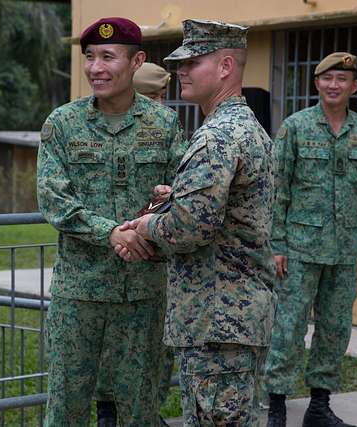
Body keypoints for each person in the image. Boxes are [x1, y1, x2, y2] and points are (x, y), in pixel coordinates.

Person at [123, 19, 277, 426]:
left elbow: (190, 228)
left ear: (226, 66)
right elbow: (226, 212)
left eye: (193, 62)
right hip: (233, 318)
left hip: (217, 320)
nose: (181, 71)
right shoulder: (244, 128)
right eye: (180, 63)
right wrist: (175, 199)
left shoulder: (218, 137)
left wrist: (141, 228)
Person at [36, 17, 187, 427]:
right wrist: (111, 233)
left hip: (143, 292)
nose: (96, 68)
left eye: (108, 56)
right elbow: (54, 200)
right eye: (89, 57)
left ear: (137, 61)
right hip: (80, 291)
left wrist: (153, 221)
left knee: (140, 406)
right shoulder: (63, 123)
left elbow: (182, 193)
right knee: (66, 404)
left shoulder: (165, 125)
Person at [263, 52, 357, 427]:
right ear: (317, 84)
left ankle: (319, 407)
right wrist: (276, 245)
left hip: (343, 251)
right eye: (327, 79)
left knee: (335, 329)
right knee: (288, 329)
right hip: (299, 251)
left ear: (354, 86)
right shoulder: (295, 127)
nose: (334, 85)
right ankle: (276, 405)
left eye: (342, 79)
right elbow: (277, 191)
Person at [94, 61, 176, 427]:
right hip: (101, 264)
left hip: (151, 265)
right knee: (108, 349)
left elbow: (184, 183)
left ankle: (148, 413)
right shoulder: (94, 129)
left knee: (154, 350)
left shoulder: (168, 130)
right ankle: (108, 413)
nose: (158, 104)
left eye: (162, 96)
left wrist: (167, 197)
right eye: (151, 96)